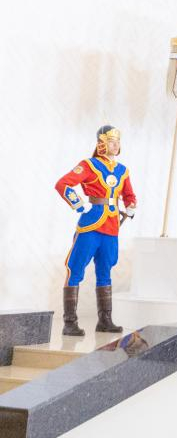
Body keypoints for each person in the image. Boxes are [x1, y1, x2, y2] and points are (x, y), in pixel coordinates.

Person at [53, 125, 137, 337]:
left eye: (117, 141)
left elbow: (129, 194)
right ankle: (70, 322)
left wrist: (131, 206)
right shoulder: (89, 165)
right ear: (101, 143)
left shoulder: (123, 170)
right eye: (111, 141)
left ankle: (105, 321)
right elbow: (63, 184)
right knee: (75, 268)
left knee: (105, 270)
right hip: (91, 225)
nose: (115, 145)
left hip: (112, 226)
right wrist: (78, 204)